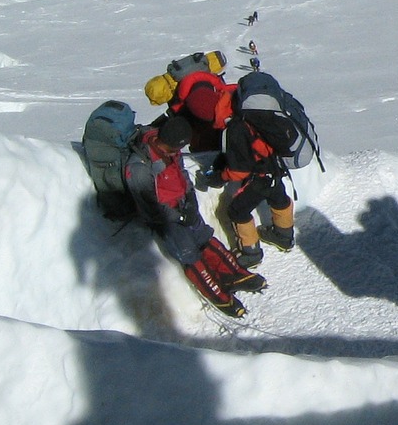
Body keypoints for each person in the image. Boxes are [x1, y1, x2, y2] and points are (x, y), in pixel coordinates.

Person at [123, 114, 257, 316]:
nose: (177, 152)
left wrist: (190, 201)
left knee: (203, 235)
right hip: (165, 218)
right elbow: (149, 207)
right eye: (175, 148)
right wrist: (177, 216)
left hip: (182, 206)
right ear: (164, 141)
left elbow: (182, 175)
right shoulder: (139, 166)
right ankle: (217, 293)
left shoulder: (171, 152)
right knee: (188, 252)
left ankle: (232, 273)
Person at [217, 102, 300, 268]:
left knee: (237, 211)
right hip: (275, 171)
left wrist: (220, 176)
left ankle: (251, 253)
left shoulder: (239, 126)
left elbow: (239, 170)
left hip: (259, 179)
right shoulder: (266, 118)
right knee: (279, 198)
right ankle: (284, 236)